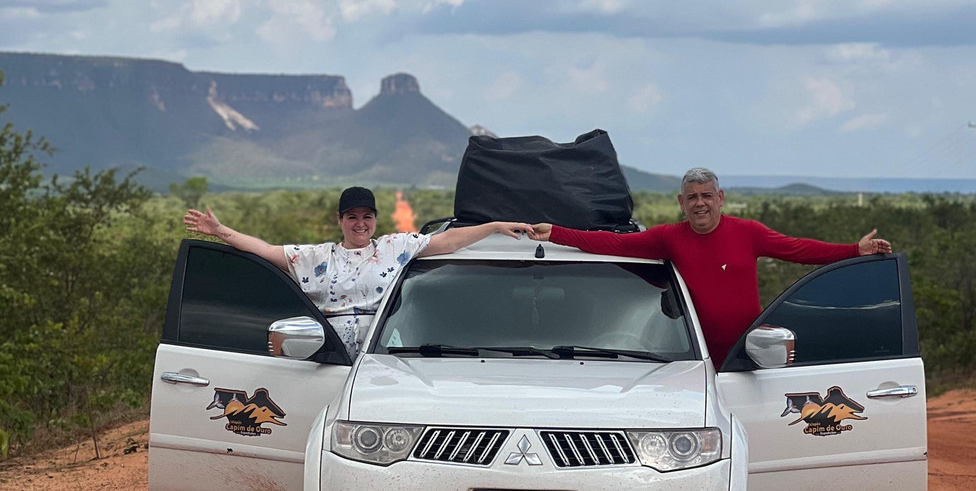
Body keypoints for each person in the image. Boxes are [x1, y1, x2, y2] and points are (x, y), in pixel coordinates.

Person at [527, 167, 891, 369]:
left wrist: (853, 250)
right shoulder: (669, 237)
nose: (700, 203)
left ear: (720, 198)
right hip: (690, 359)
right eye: (692, 198)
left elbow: (798, 249)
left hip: (745, 356)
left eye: (706, 196)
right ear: (681, 203)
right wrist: (556, 233)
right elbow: (614, 243)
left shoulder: (748, 233)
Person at [184, 186, 533, 360]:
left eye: (367, 216)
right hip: (329, 355)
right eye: (352, 216)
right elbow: (264, 251)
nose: (360, 223)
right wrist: (220, 232)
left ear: (375, 220)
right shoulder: (318, 257)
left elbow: (448, 241)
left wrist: (494, 226)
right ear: (340, 220)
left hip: (388, 353)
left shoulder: (395, 247)